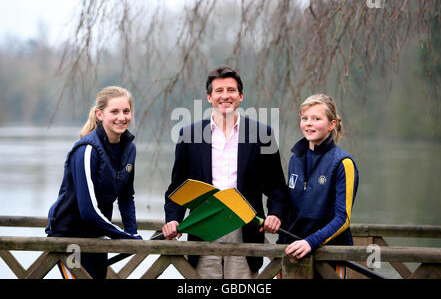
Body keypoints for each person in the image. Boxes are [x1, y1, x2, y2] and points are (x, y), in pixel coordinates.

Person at [163, 65, 289, 279]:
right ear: (209, 97)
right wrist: (173, 219)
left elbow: (277, 187)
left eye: (231, 90)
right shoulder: (189, 135)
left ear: (241, 96)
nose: (225, 96)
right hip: (203, 228)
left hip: (245, 229)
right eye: (219, 91)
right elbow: (178, 187)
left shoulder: (261, 134)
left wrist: (275, 214)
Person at [45, 86, 142, 279]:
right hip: (68, 239)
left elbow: (126, 197)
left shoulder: (129, 149)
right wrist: (125, 237)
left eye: (126, 111)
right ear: (100, 114)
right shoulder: (87, 150)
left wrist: (132, 233)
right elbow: (88, 210)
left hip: (97, 238)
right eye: (114, 111)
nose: (121, 117)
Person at [280, 93, 359, 279]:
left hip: (330, 256)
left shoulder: (343, 163)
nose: (309, 123)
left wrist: (310, 242)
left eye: (316, 118)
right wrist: (280, 251)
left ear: (331, 124)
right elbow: (290, 212)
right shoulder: (295, 159)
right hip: (295, 255)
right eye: (304, 118)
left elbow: (343, 218)